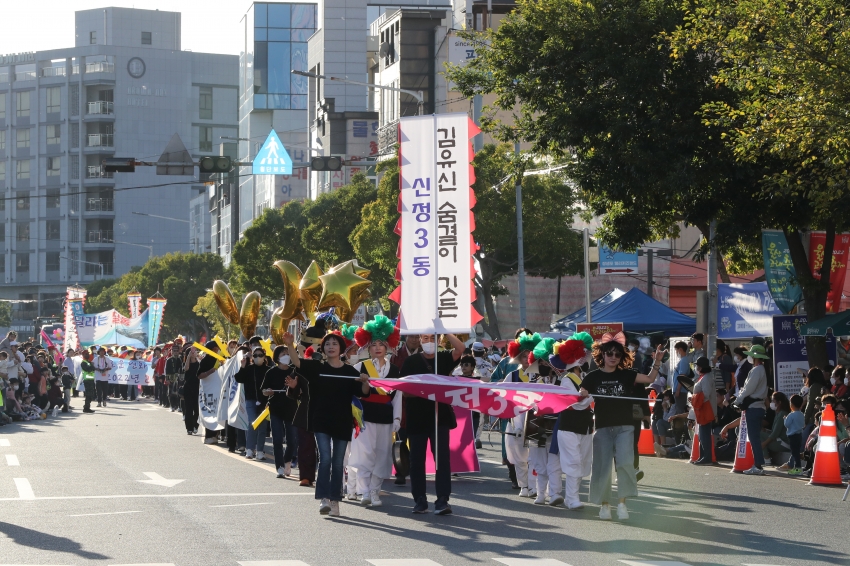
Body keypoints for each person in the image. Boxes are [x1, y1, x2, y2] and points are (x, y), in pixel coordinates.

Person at [579, 332, 665, 521]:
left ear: (622, 357)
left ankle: (622, 504)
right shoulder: (592, 377)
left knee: (625, 464)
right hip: (602, 427)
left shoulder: (627, 374)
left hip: (626, 427)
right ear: (602, 355)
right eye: (609, 353)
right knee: (602, 467)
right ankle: (605, 505)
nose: (613, 357)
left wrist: (657, 361)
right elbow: (582, 391)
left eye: (617, 354)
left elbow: (650, 379)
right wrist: (583, 392)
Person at [286, 332, 371, 518]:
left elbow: (363, 392)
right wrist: (290, 345)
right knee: (325, 459)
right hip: (321, 420)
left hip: (342, 421)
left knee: (338, 462)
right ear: (323, 349)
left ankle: (335, 500)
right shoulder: (317, 367)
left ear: (341, 348)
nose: (331, 347)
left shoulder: (350, 371)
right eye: (327, 344)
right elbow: (298, 363)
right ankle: (324, 498)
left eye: (335, 344)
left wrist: (366, 382)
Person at [400, 332, 465, 515]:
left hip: (440, 418)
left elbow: (460, 349)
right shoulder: (410, 362)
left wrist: (444, 330)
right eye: (425, 338)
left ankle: (443, 499)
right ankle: (420, 499)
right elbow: (405, 392)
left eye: (433, 338)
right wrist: (426, 391)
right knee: (416, 461)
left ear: (439, 340)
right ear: (420, 340)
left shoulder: (444, 358)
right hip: (416, 418)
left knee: (442, 460)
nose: (429, 342)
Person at [349, 316, 403, 507]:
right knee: (365, 455)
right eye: (374, 344)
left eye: (381, 343)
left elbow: (397, 397)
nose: (378, 347)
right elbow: (353, 395)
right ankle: (364, 492)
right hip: (365, 418)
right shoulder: (360, 367)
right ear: (367, 347)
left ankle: (375, 491)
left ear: (388, 345)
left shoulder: (395, 370)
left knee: (382, 455)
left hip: (386, 418)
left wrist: (397, 418)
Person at [261, 343, 299, 478]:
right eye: (283, 354)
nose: (286, 356)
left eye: (288, 353)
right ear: (277, 357)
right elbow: (264, 391)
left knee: (292, 440)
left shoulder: (294, 371)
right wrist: (268, 392)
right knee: (277, 439)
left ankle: (287, 460)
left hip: (291, 409)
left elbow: (299, 390)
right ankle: (280, 467)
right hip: (275, 409)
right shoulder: (271, 372)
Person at [732, 344, 770, 475]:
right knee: (755, 437)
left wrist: (737, 400)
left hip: (753, 407)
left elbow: (748, 388)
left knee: (754, 437)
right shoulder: (761, 369)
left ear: (754, 357)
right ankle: (758, 464)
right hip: (759, 407)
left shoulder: (756, 370)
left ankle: (758, 465)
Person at [236, 346, 271, 459]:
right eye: (255, 355)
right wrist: (243, 365)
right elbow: (238, 378)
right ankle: (249, 449)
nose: (257, 357)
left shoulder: (268, 370)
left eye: (260, 355)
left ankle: (260, 451)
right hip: (251, 400)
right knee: (253, 423)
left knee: (263, 426)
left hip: (264, 402)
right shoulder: (249, 368)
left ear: (264, 356)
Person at [691, 356, 717, 465]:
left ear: (702, 367)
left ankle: (707, 458)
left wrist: (694, 399)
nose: (696, 367)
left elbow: (705, 394)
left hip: (706, 409)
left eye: (697, 365)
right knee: (702, 435)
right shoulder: (704, 377)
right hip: (703, 408)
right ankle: (703, 456)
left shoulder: (706, 378)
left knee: (705, 435)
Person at [197, 341, 222, 445]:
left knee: (218, 413)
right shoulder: (205, 360)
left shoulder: (221, 359)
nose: (218, 350)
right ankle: (209, 436)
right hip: (208, 392)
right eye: (216, 348)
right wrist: (210, 371)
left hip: (218, 391)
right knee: (209, 413)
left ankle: (216, 435)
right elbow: (199, 375)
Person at [779, 394, 805, 475]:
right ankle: (797, 468)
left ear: (792, 405)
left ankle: (797, 468)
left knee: (794, 453)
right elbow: (803, 424)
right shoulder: (801, 414)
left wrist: (784, 419)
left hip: (792, 436)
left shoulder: (791, 415)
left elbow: (787, 424)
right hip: (799, 435)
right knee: (796, 452)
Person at [183, 347, 201, 435]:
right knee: (189, 409)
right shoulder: (186, 363)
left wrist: (198, 358)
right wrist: (189, 357)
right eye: (191, 352)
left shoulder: (199, 363)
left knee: (197, 410)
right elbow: (186, 369)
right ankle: (189, 428)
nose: (194, 353)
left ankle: (195, 425)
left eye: (195, 351)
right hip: (188, 388)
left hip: (197, 388)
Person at [671, 341, 691, 414]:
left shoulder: (684, 361)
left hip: (681, 391)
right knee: (677, 409)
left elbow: (682, 376)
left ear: (680, 350)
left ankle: (681, 425)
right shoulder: (682, 360)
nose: (676, 352)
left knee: (679, 411)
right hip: (678, 390)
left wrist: (678, 390)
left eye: (676, 350)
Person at [164, 345, 184, 413]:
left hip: (179, 378)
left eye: (177, 351)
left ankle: (179, 406)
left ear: (179, 351)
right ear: (171, 351)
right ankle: (172, 406)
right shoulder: (169, 360)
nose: (175, 352)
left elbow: (182, 369)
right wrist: (167, 379)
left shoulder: (181, 359)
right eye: (174, 351)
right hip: (171, 377)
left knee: (179, 392)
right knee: (171, 392)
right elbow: (167, 370)